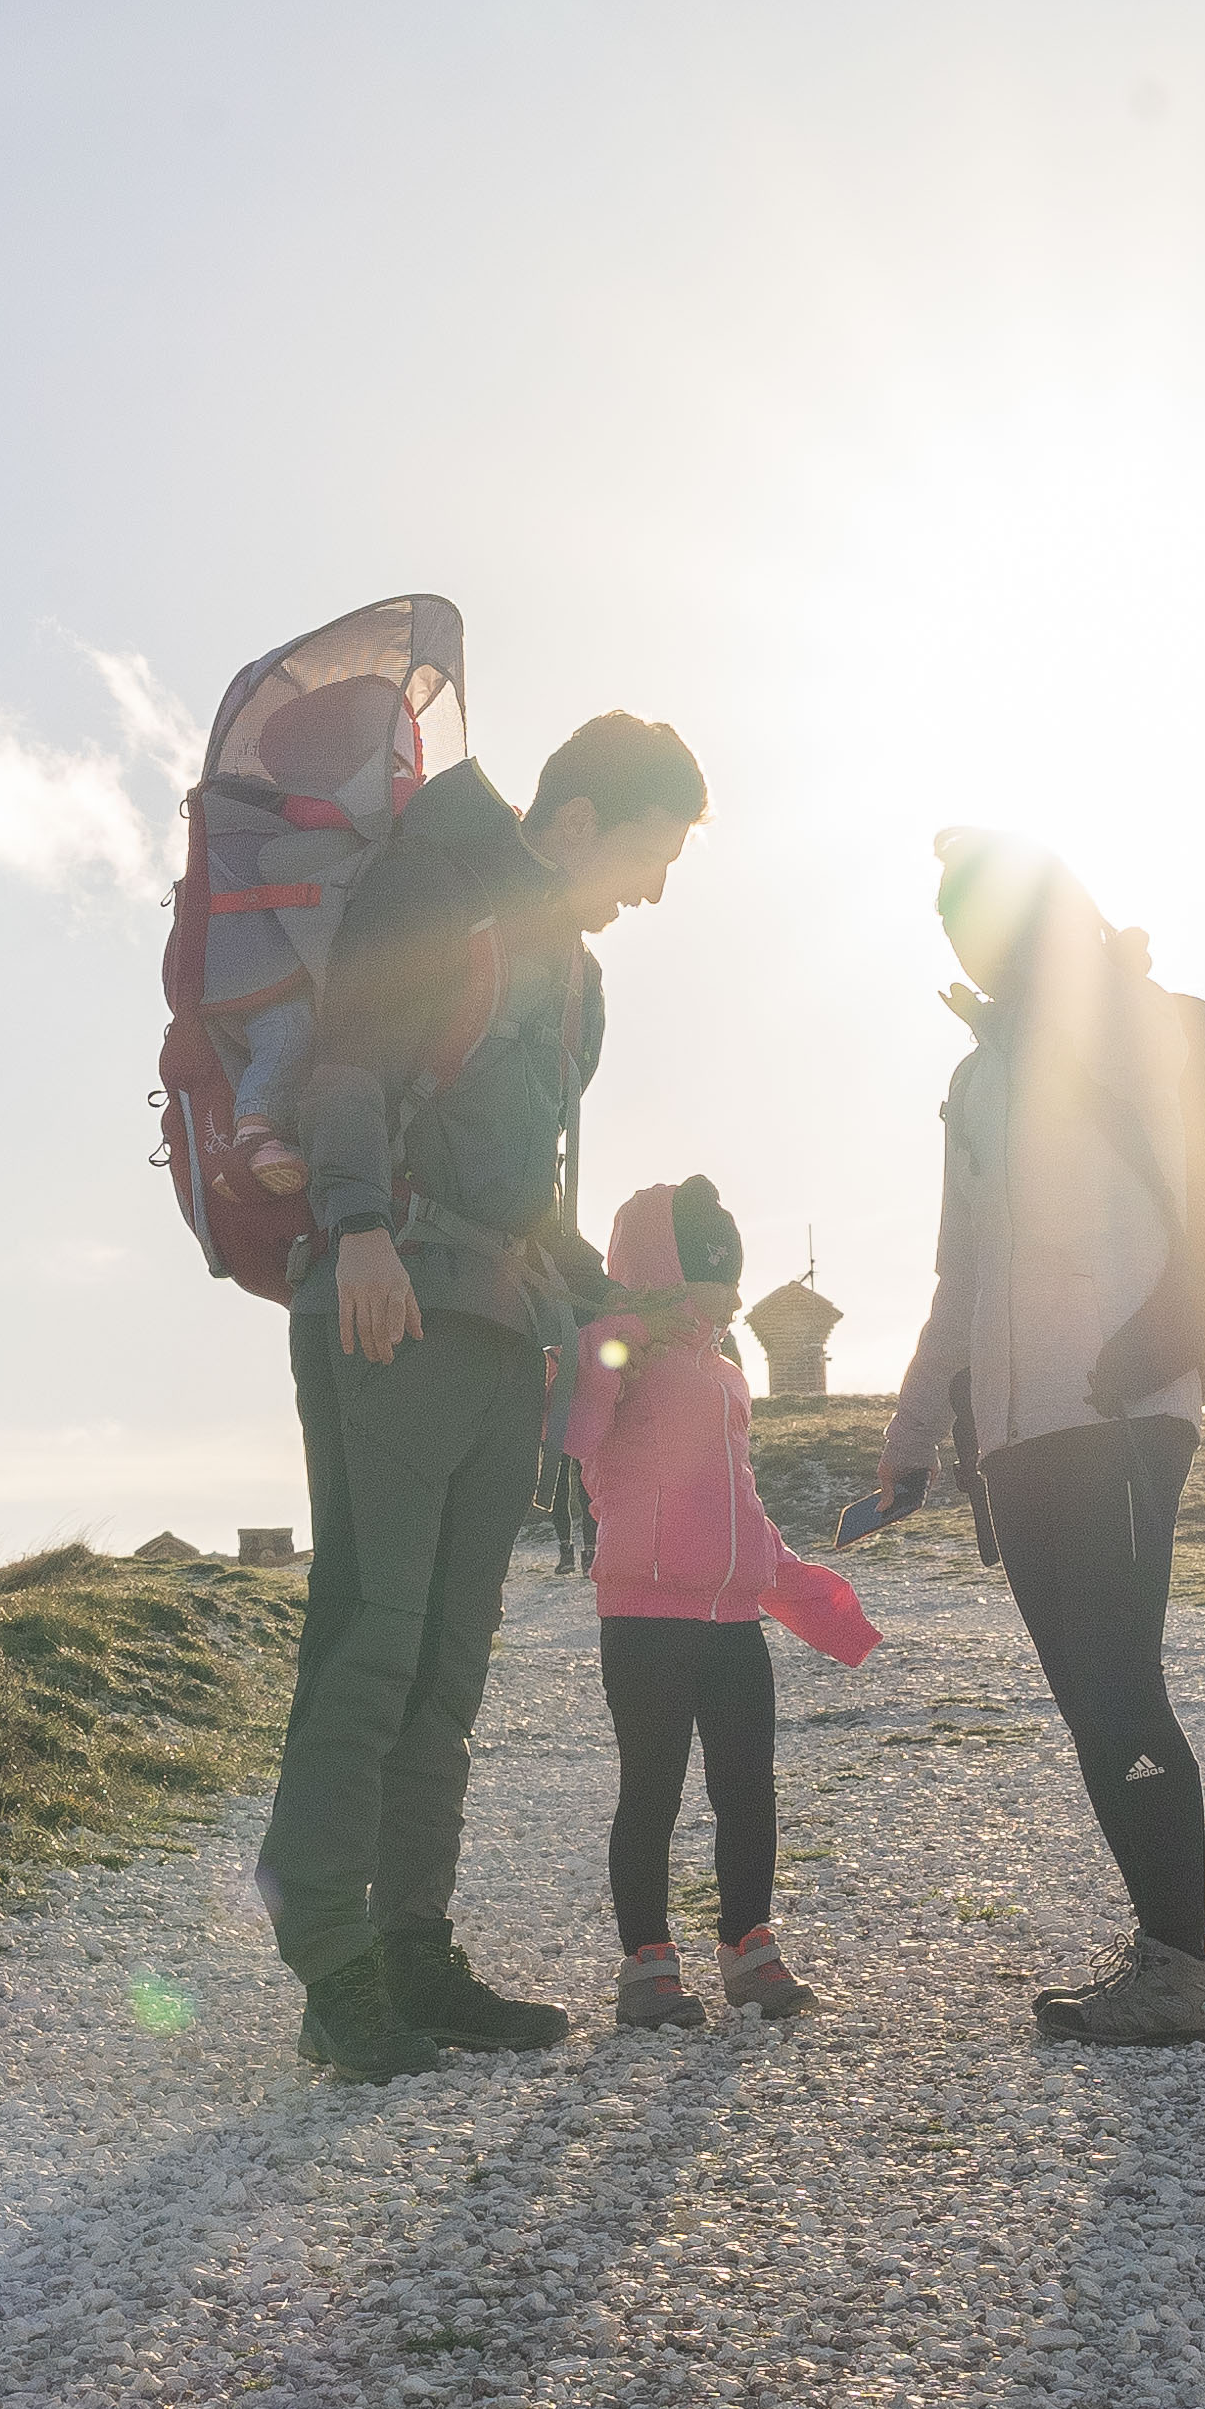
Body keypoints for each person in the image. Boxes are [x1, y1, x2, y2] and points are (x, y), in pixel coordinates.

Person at [255, 710, 710, 2081]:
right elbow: (350, 1062)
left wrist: (615, 1301)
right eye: (649, 851)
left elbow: (521, 1190)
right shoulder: (435, 884)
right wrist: (355, 1226)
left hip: (500, 1328)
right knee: (370, 1641)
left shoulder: (577, 977)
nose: (656, 888)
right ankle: (331, 1959)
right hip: (392, 1306)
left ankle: (413, 1948)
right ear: (574, 821)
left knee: (446, 1671)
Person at [879, 829, 1205, 2045]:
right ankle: (1162, 1947)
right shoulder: (974, 1083)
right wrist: (916, 1433)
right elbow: (961, 1275)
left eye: (983, 917)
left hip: (1124, 1403)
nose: (968, 943)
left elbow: (1200, 1192)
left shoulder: (1132, 1024)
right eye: (952, 925)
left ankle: (1184, 1966)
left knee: (1122, 1682)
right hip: (1020, 1433)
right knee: (1088, 1697)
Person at [561, 1172, 877, 2029]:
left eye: (736, 1285)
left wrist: (802, 1588)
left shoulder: (730, 1379)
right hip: (643, 1619)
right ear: (669, 1274)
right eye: (718, 1284)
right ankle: (646, 1962)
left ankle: (748, 1945)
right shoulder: (610, 1356)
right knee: (652, 1788)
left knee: (748, 1788)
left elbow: (738, 1500)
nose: (733, 1302)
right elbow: (575, 1440)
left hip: (733, 1623)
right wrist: (618, 1332)